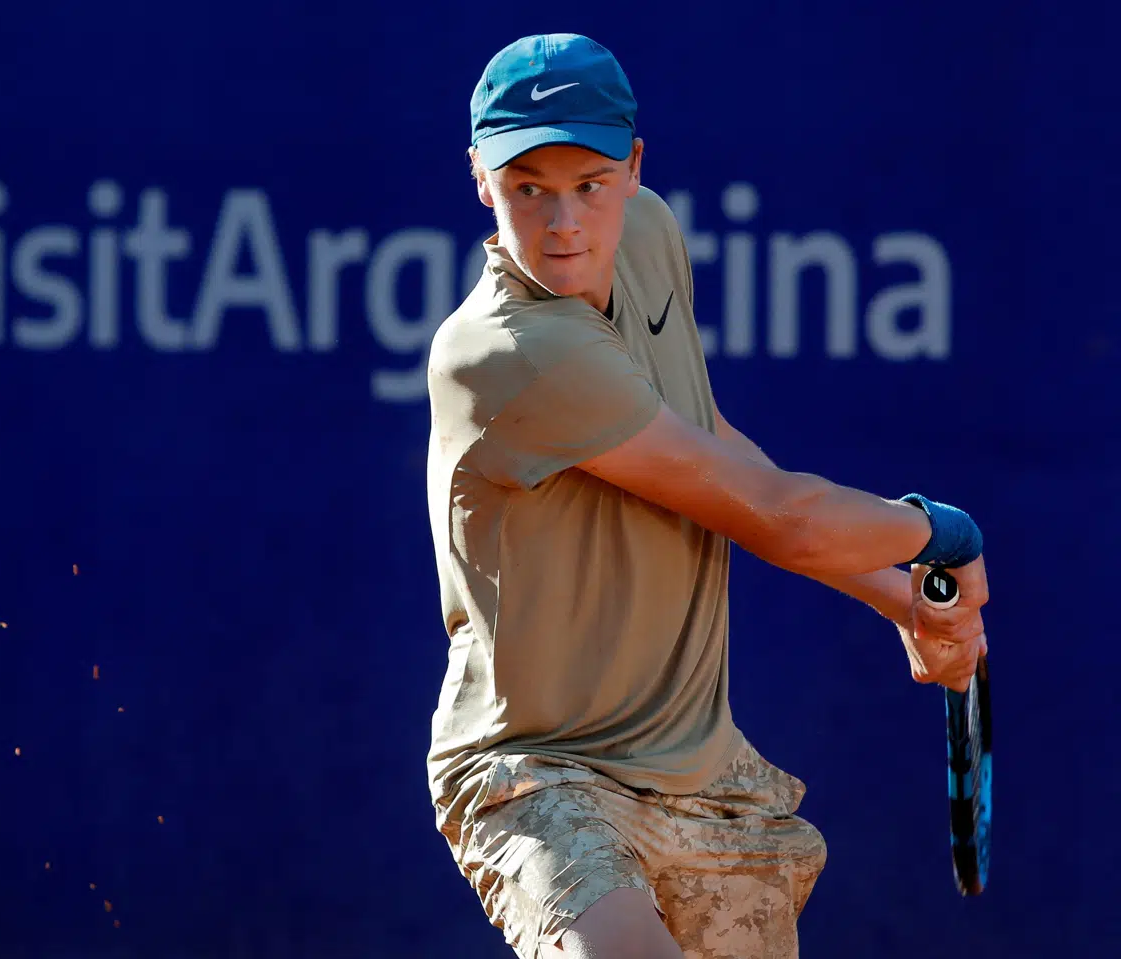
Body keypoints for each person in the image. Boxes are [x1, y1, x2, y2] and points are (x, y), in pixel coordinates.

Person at [423, 33, 990, 959]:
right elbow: (783, 520)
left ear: (635, 168)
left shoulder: (648, 236)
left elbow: (714, 454)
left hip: (701, 772)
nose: (563, 222)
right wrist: (942, 532)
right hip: (542, 774)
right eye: (528, 187)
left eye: (590, 184)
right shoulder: (507, 351)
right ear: (481, 179)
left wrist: (899, 594)